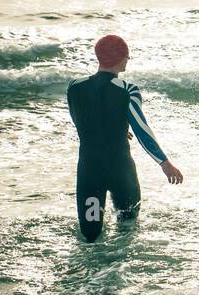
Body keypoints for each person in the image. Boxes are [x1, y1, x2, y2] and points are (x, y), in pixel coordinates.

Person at [67, 35, 183, 243]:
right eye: (127, 55)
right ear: (121, 58)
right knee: (127, 232)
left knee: (90, 236)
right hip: (121, 172)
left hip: (88, 172)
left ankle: (88, 275)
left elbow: (82, 121)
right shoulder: (127, 90)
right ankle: (117, 272)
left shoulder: (74, 88)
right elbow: (141, 129)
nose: (128, 59)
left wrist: (116, 130)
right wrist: (164, 163)